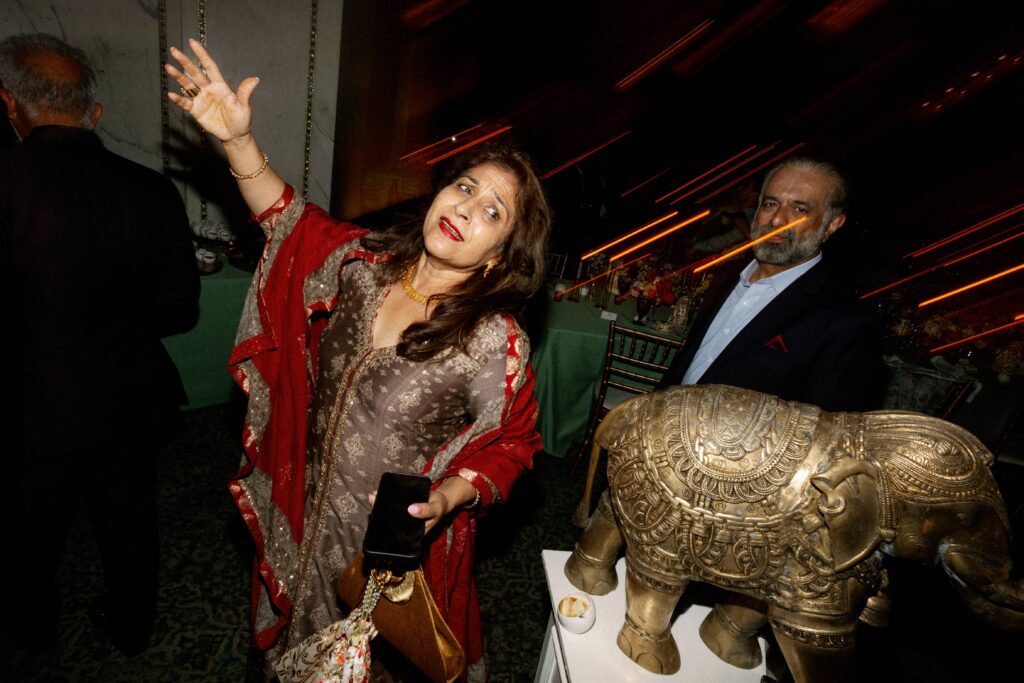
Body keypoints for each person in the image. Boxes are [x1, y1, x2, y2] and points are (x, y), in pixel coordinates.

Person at [165, 39, 550, 680]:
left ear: (500, 257)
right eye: (464, 185)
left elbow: (514, 444)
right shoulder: (360, 266)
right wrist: (236, 139)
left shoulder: (493, 341)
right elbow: (287, 219)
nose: (463, 207)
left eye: (491, 212)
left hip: (383, 554)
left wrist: (452, 495)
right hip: (306, 505)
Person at [0, 33, 200, 656]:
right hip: (129, 396)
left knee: (30, 534)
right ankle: (132, 624)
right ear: (95, 112)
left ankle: (32, 638)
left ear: (10, 104)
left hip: (34, 405)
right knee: (129, 521)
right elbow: (179, 304)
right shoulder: (152, 188)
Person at [658, 156, 886, 412]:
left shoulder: (846, 323)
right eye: (770, 204)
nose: (777, 220)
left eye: (799, 209)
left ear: (832, 225)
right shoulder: (727, 278)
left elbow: (827, 436)